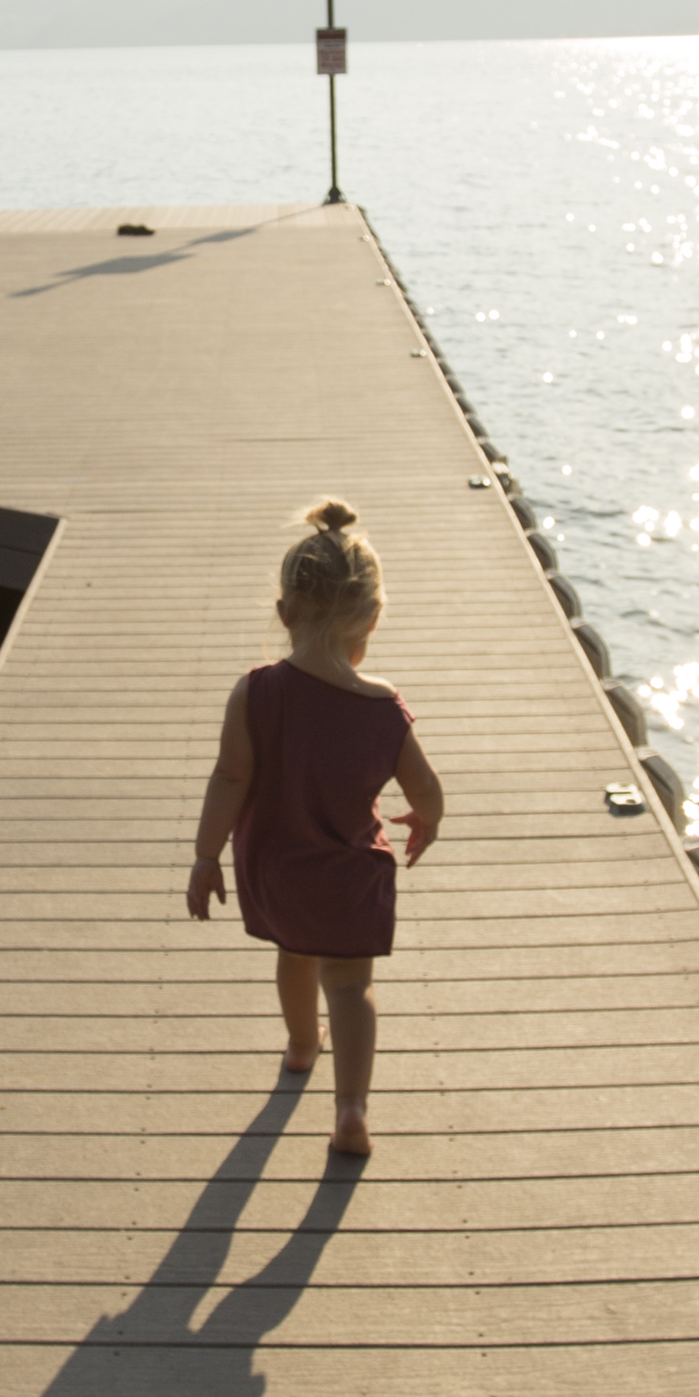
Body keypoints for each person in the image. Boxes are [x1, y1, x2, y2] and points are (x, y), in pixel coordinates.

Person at [185, 497, 444, 1160]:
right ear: (373, 617)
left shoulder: (256, 691)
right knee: (350, 986)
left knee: (292, 954)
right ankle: (351, 1110)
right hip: (349, 874)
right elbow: (424, 789)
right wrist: (425, 820)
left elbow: (229, 778)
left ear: (282, 612)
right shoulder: (384, 709)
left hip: (276, 870)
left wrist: (204, 856)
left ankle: (301, 1048)